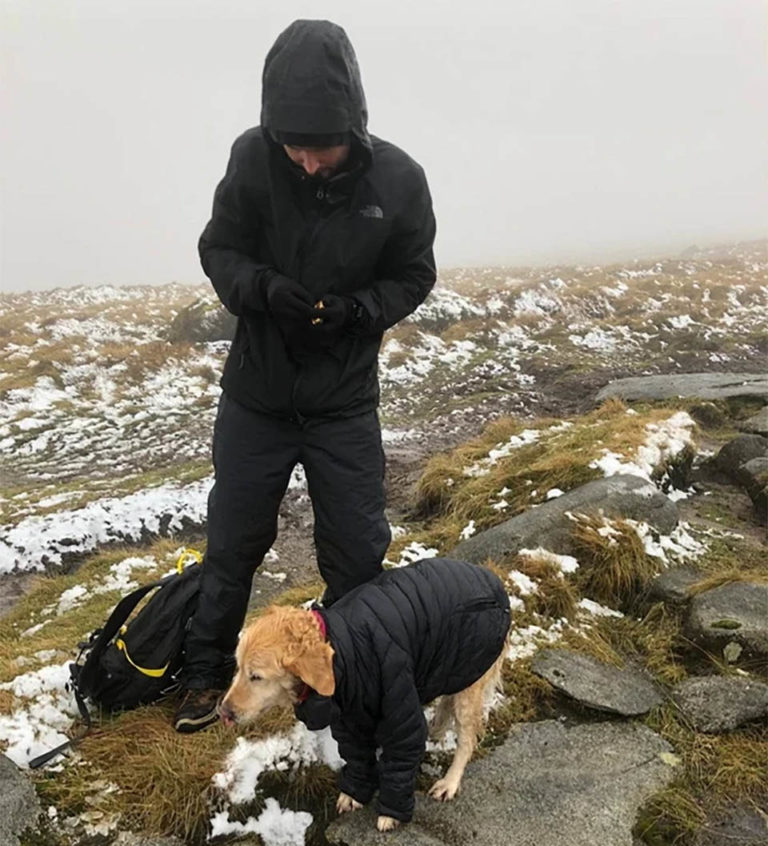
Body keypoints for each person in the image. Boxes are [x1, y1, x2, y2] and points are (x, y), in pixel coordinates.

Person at [173, 18, 437, 733]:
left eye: (323, 147)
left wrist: (360, 310)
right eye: (295, 147)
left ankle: (348, 678)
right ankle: (204, 677)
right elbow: (219, 248)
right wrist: (263, 289)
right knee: (233, 544)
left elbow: (415, 273)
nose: (310, 163)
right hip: (256, 398)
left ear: (354, 125)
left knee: (356, 551)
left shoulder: (400, 179)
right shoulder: (252, 160)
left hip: (343, 403)